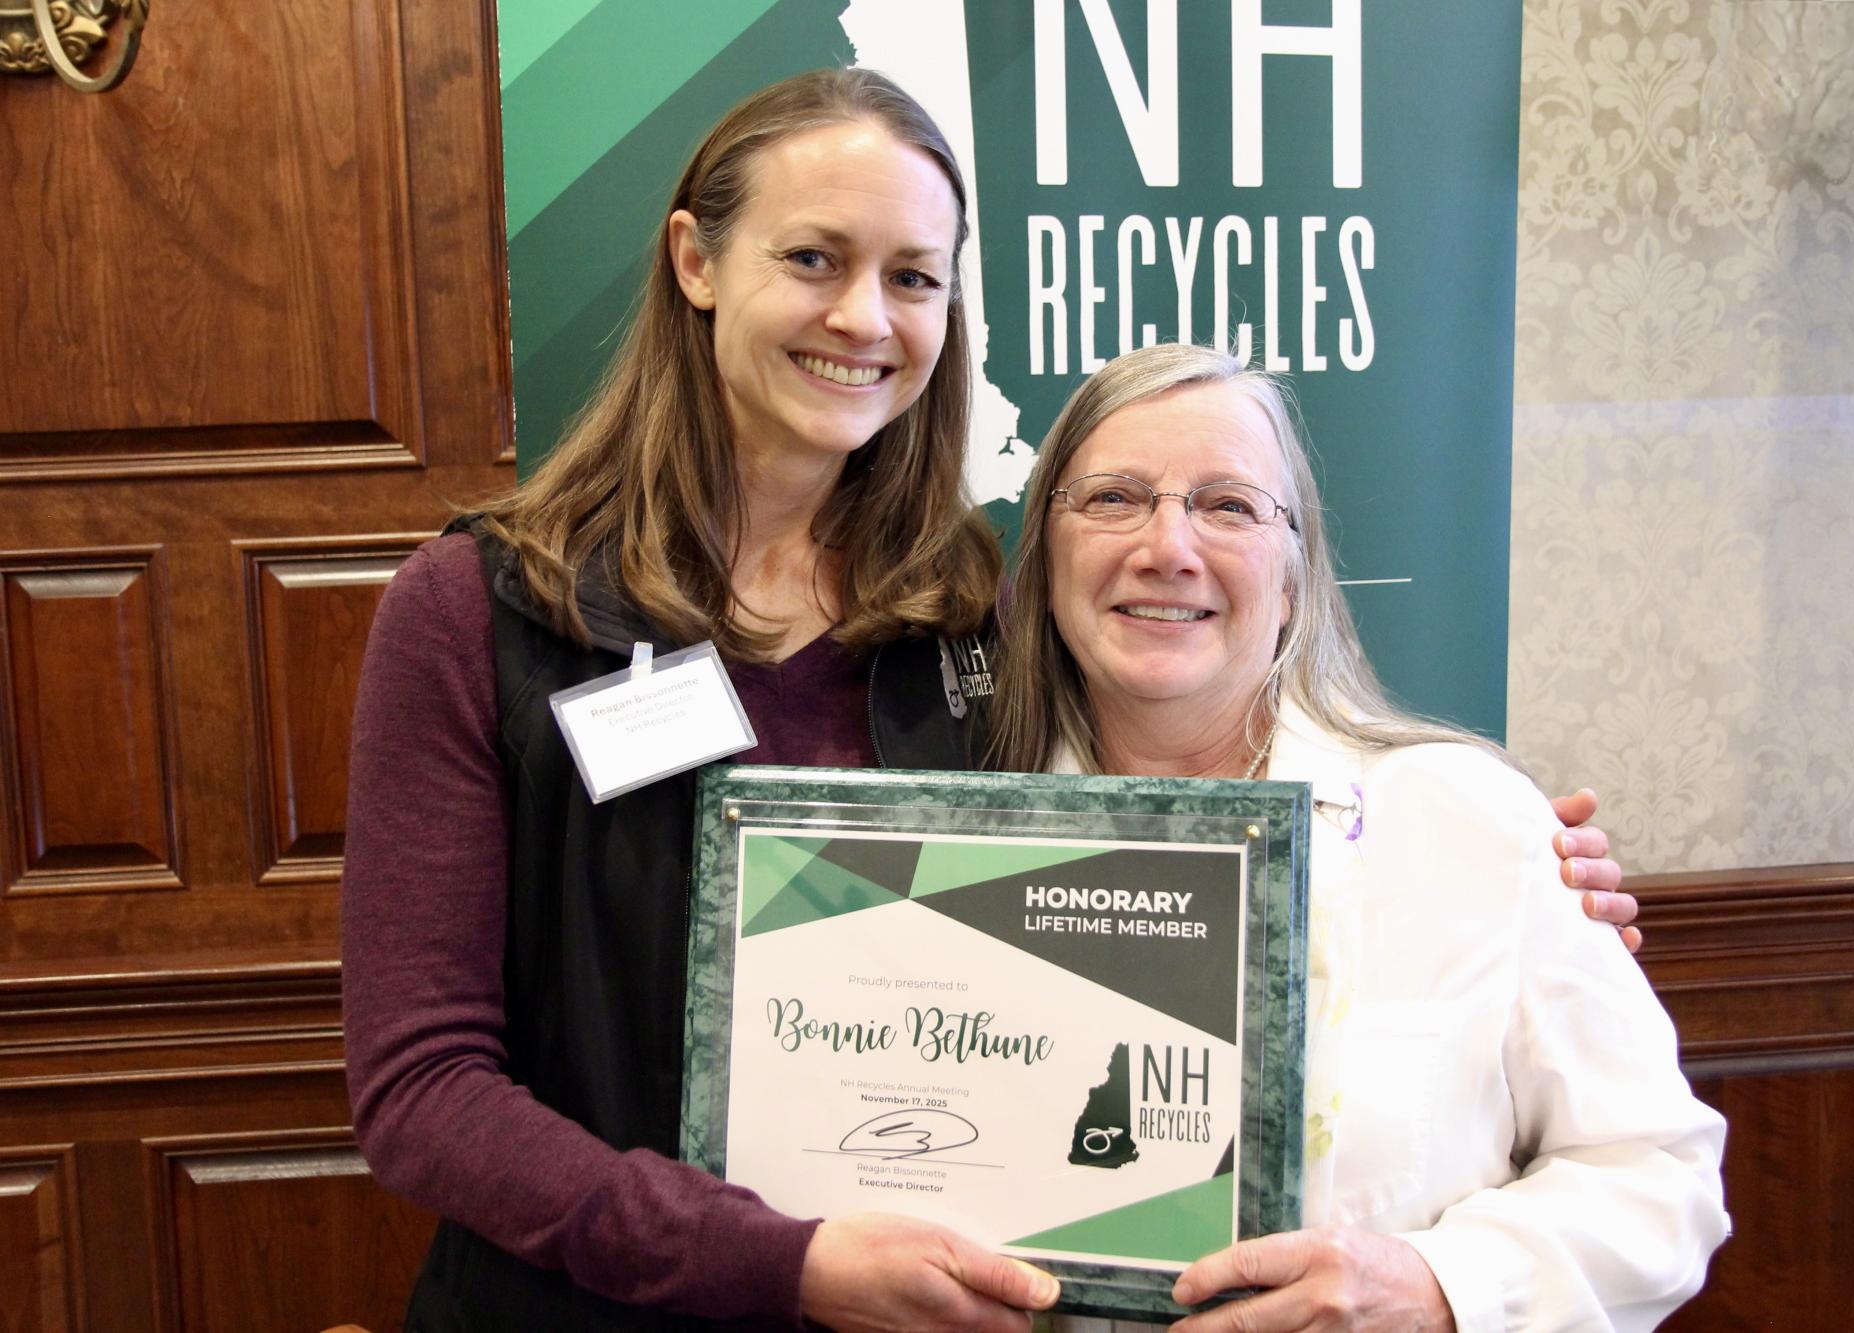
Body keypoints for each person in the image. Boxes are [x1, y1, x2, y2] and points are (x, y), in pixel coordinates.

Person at [342, 69, 1638, 1331]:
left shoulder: (971, 614)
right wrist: (779, 1263)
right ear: (695, 260)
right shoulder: (479, 613)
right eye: (813, 259)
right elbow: (422, 1093)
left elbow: (1176, 827)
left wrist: (1525, 880)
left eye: (913, 277)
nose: (866, 316)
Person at [987, 343, 1727, 1331]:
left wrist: (1440, 1286)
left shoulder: (1471, 822)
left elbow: (1658, 1175)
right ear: (1043, 564)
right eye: (1114, 498)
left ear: (1292, 577)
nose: (1166, 547)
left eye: (1227, 506)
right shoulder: (957, 854)